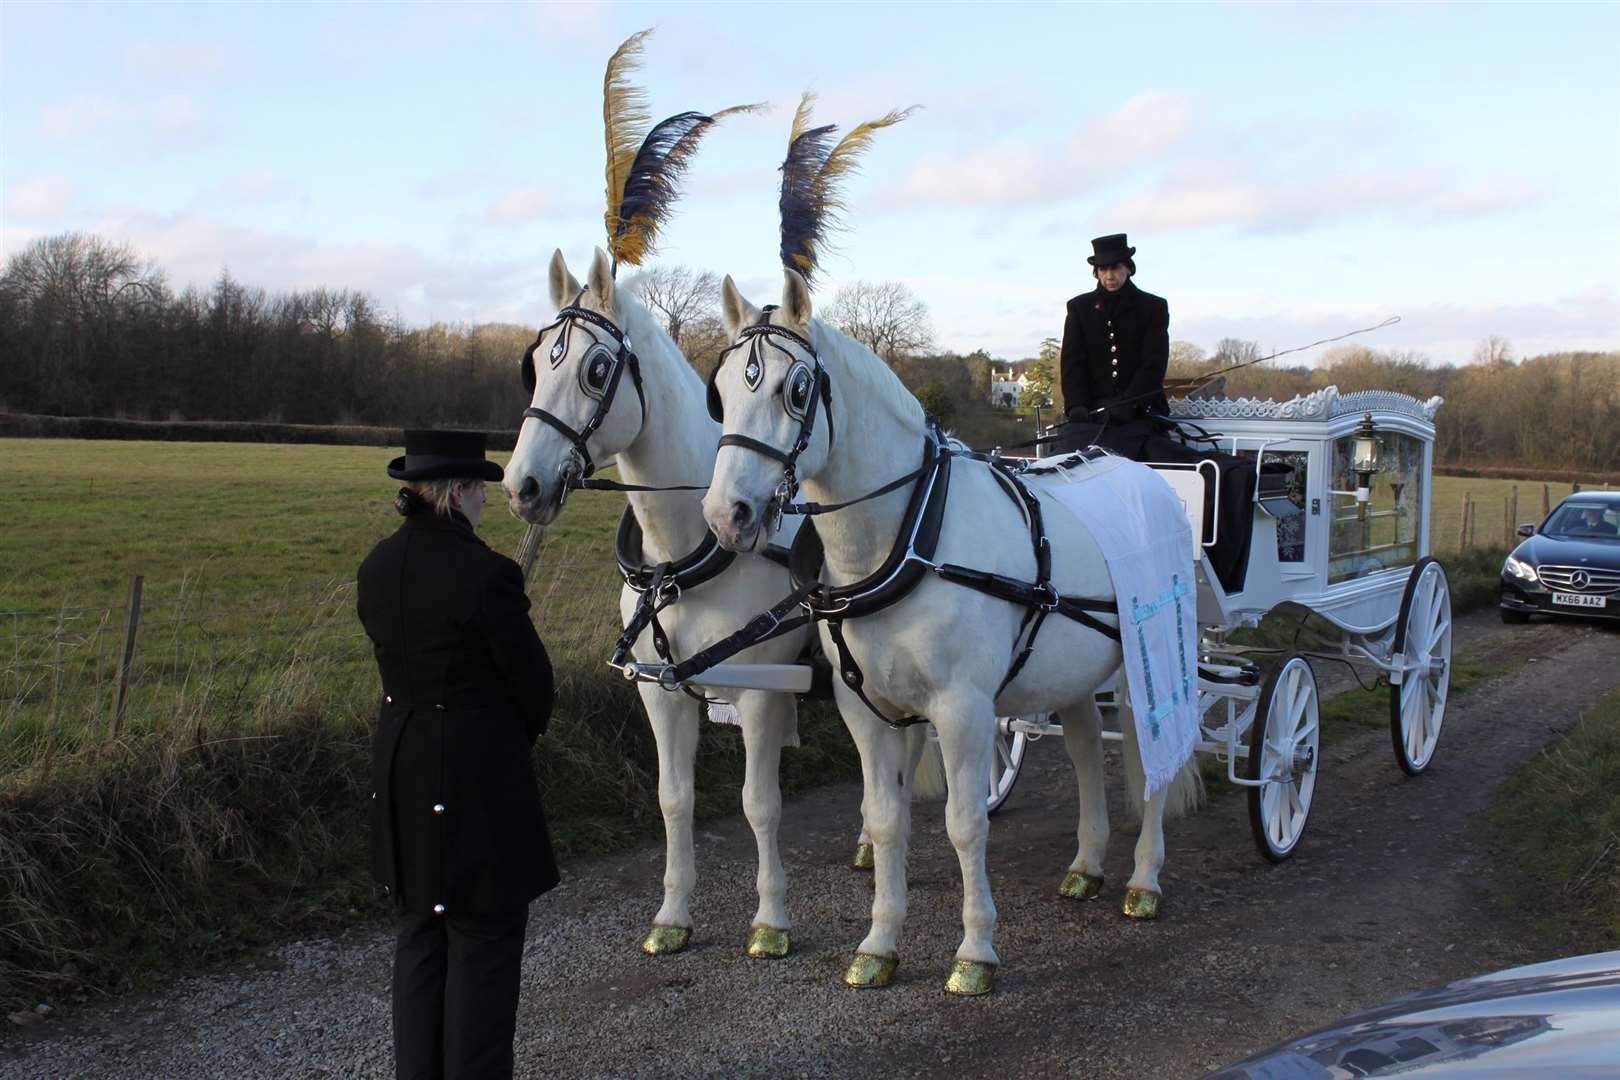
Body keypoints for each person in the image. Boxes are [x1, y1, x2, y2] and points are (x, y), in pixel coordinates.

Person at [357, 429, 558, 1080]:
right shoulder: (487, 575)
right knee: (483, 941)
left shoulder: (377, 566)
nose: (481, 500)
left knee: (421, 934)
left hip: (402, 768)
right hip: (477, 779)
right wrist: (502, 740)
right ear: (457, 494)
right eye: (477, 488)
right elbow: (535, 687)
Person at [1056, 232, 1170, 459]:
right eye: (1103, 270)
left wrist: (1130, 402)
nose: (1109, 276)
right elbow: (1073, 363)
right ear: (1096, 272)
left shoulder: (1153, 307)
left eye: (1115, 268)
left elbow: (1154, 363)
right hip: (1093, 414)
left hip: (1138, 411)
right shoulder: (1079, 308)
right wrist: (1077, 404)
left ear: (1128, 268)